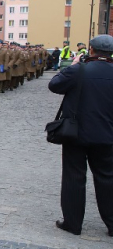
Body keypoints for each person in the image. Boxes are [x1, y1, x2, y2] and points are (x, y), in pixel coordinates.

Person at [49, 34, 113, 236]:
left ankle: (73, 223)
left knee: (74, 177)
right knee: (107, 178)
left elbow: (54, 85)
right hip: (107, 134)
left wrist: (74, 64)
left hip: (76, 133)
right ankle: (112, 223)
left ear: (91, 50)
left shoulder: (79, 70)